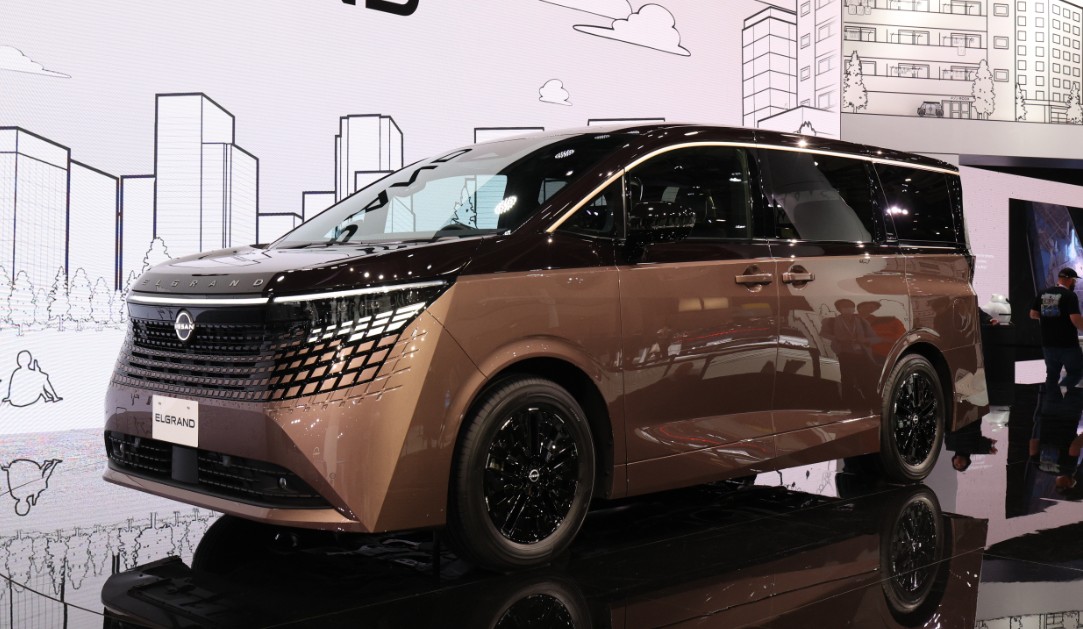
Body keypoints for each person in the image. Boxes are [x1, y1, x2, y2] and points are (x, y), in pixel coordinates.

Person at [1030, 267, 1083, 389]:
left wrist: (1049, 317)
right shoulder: (1070, 295)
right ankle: (1062, 391)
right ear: (1070, 280)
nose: (1074, 283)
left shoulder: (1043, 293)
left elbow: (1033, 314)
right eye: (1074, 281)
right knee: (1076, 373)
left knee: (1052, 376)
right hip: (1067, 345)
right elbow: (1075, 319)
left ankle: (1052, 398)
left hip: (1048, 344)